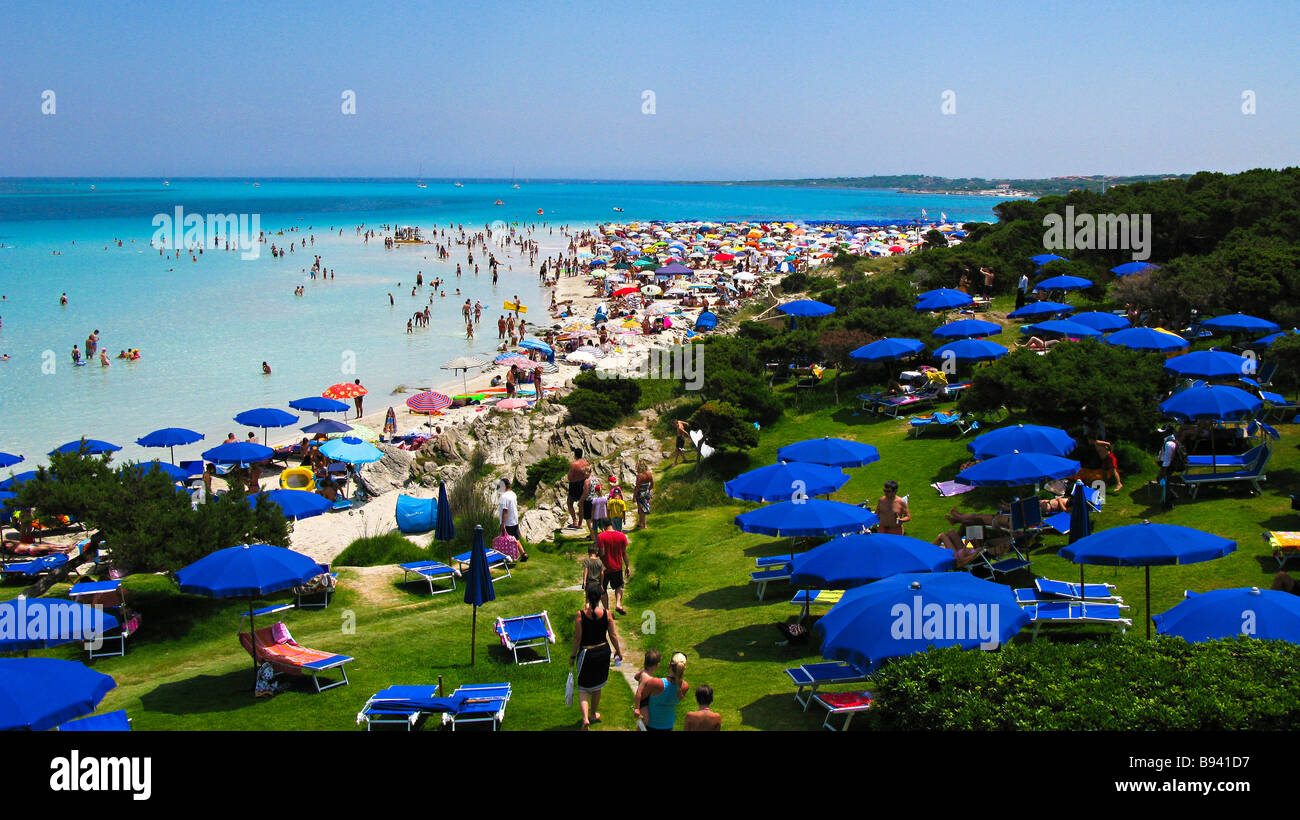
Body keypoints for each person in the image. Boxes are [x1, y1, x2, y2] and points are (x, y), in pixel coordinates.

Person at [570, 585, 624, 731]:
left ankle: (586, 718)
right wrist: (618, 651)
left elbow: (577, 638)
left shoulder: (580, 615)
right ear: (600, 598)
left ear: (587, 597)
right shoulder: (607, 613)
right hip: (603, 652)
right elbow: (613, 635)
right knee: (597, 686)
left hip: (587, 653)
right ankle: (593, 714)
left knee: (583, 688)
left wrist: (573, 655)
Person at [636, 652, 689, 732]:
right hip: (668, 725)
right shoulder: (685, 686)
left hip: (650, 725)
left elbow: (641, 698)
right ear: (684, 668)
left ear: (669, 665)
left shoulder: (656, 683)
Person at [596, 519, 629, 615]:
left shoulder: (601, 536)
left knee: (602, 589)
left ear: (603, 527)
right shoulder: (621, 536)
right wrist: (627, 566)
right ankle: (618, 603)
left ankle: (607, 610)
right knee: (618, 586)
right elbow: (624, 553)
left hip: (604, 568)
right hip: (617, 567)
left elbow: (602, 552)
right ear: (612, 525)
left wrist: (596, 554)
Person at [497, 478, 528, 560]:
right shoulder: (513, 494)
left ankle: (508, 557)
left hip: (507, 522)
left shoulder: (504, 497)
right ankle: (523, 554)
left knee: (506, 541)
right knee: (515, 539)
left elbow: (505, 510)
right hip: (514, 521)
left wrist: (503, 523)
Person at [632, 649, 662, 730]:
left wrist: (640, 680)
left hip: (646, 700)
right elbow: (638, 693)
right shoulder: (646, 677)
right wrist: (637, 708)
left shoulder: (644, 672)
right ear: (657, 665)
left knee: (646, 719)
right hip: (643, 701)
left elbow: (635, 676)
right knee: (645, 720)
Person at [567, 448, 591, 530]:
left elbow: (570, 477)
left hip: (574, 484)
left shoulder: (574, 464)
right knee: (581, 504)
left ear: (575, 455)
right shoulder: (586, 463)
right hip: (583, 484)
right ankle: (580, 523)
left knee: (570, 503)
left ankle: (575, 521)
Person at [634, 460, 653, 530]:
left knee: (642, 510)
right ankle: (640, 523)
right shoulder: (649, 474)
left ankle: (644, 525)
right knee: (641, 508)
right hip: (646, 493)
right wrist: (648, 490)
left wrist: (634, 496)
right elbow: (652, 484)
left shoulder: (639, 476)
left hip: (640, 494)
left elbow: (637, 487)